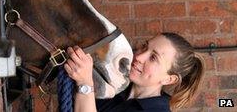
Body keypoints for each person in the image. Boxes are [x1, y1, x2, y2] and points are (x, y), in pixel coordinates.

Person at [64, 32, 205, 112]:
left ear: (169, 79)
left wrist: (85, 84)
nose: (138, 56)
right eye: (144, 47)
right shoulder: (115, 90)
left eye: (153, 58)